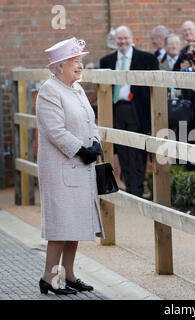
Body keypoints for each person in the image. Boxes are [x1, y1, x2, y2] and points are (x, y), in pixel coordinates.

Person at [37, 37, 104, 295]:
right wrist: (81, 150)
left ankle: (70, 275)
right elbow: (55, 130)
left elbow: (90, 120)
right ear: (60, 66)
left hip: (80, 167)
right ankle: (49, 278)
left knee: (75, 224)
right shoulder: (49, 90)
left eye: (80, 61)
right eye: (75, 61)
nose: (80, 65)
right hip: (61, 168)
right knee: (61, 225)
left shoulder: (76, 89)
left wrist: (95, 142)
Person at [99, 26, 159, 198]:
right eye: (119, 39)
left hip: (136, 109)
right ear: (115, 41)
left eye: (125, 38)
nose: (122, 42)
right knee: (122, 150)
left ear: (132, 39)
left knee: (137, 150)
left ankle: (137, 189)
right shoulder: (107, 61)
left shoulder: (146, 59)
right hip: (116, 108)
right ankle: (130, 187)